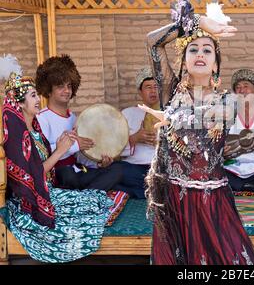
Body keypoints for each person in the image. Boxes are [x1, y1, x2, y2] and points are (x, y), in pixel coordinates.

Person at [141, 0, 254, 265]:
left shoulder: (228, 100)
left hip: (210, 199)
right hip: (173, 198)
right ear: (183, 61)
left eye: (208, 50)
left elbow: (201, 135)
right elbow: (152, 43)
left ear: (216, 63)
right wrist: (198, 23)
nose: (200, 54)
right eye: (193, 49)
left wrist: (172, 120)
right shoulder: (170, 92)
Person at [0, 55, 112, 263]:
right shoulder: (17, 137)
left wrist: (74, 150)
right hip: (32, 199)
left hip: (50, 188)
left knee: (95, 200)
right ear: (21, 104)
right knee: (89, 207)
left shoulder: (34, 130)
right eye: (33, 96)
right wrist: (61, 151)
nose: (37, 100)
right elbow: (32, 175)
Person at [35, 55, 125, 191]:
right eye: (60, 86)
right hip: (57, 174)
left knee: (117, 169)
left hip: (78, 171)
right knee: (66, 173)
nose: (67, 91)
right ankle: (89, 196)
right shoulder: (41, 118)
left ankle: (84, 197)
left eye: (69, 86)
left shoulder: (73, 118)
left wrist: (99, 164)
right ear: (48, 89)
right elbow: (41, 155)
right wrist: (74, 145)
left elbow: (79, 156)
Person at [117, 67, 160, 198]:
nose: (153, 91)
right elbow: (115, 149)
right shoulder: (127, 114)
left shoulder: (169, 114)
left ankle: (136, 191)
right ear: (140, 92)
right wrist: (134, 138)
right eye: (148, 87)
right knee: (117, 171)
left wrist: (161, 141)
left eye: (156, 86)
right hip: (134, 168)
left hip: (160, 168)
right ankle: (149, 191)